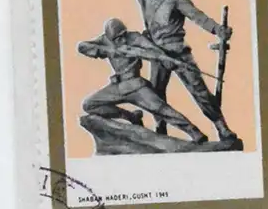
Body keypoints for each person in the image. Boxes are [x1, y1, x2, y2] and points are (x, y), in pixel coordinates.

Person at [139, 0, 243, 149]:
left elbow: (197, 16)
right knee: (155, 93)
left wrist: (217, 29)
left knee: (199, 90)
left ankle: (221, 127)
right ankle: (160, 127)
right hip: (158, 54)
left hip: (178, 52)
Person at [76, 18, 210, 150]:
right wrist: (108, 50)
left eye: (121, 37)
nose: (120, 41)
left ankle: (194, 132)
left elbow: (152, 49)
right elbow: (82, 46)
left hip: (136, 86)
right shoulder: (105, 40)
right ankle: (131, 116)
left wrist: (165, 59)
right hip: (117, 86)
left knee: (162, 109)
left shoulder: (135, 38)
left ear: (125, 33)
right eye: (116, 39)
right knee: (89, 104)